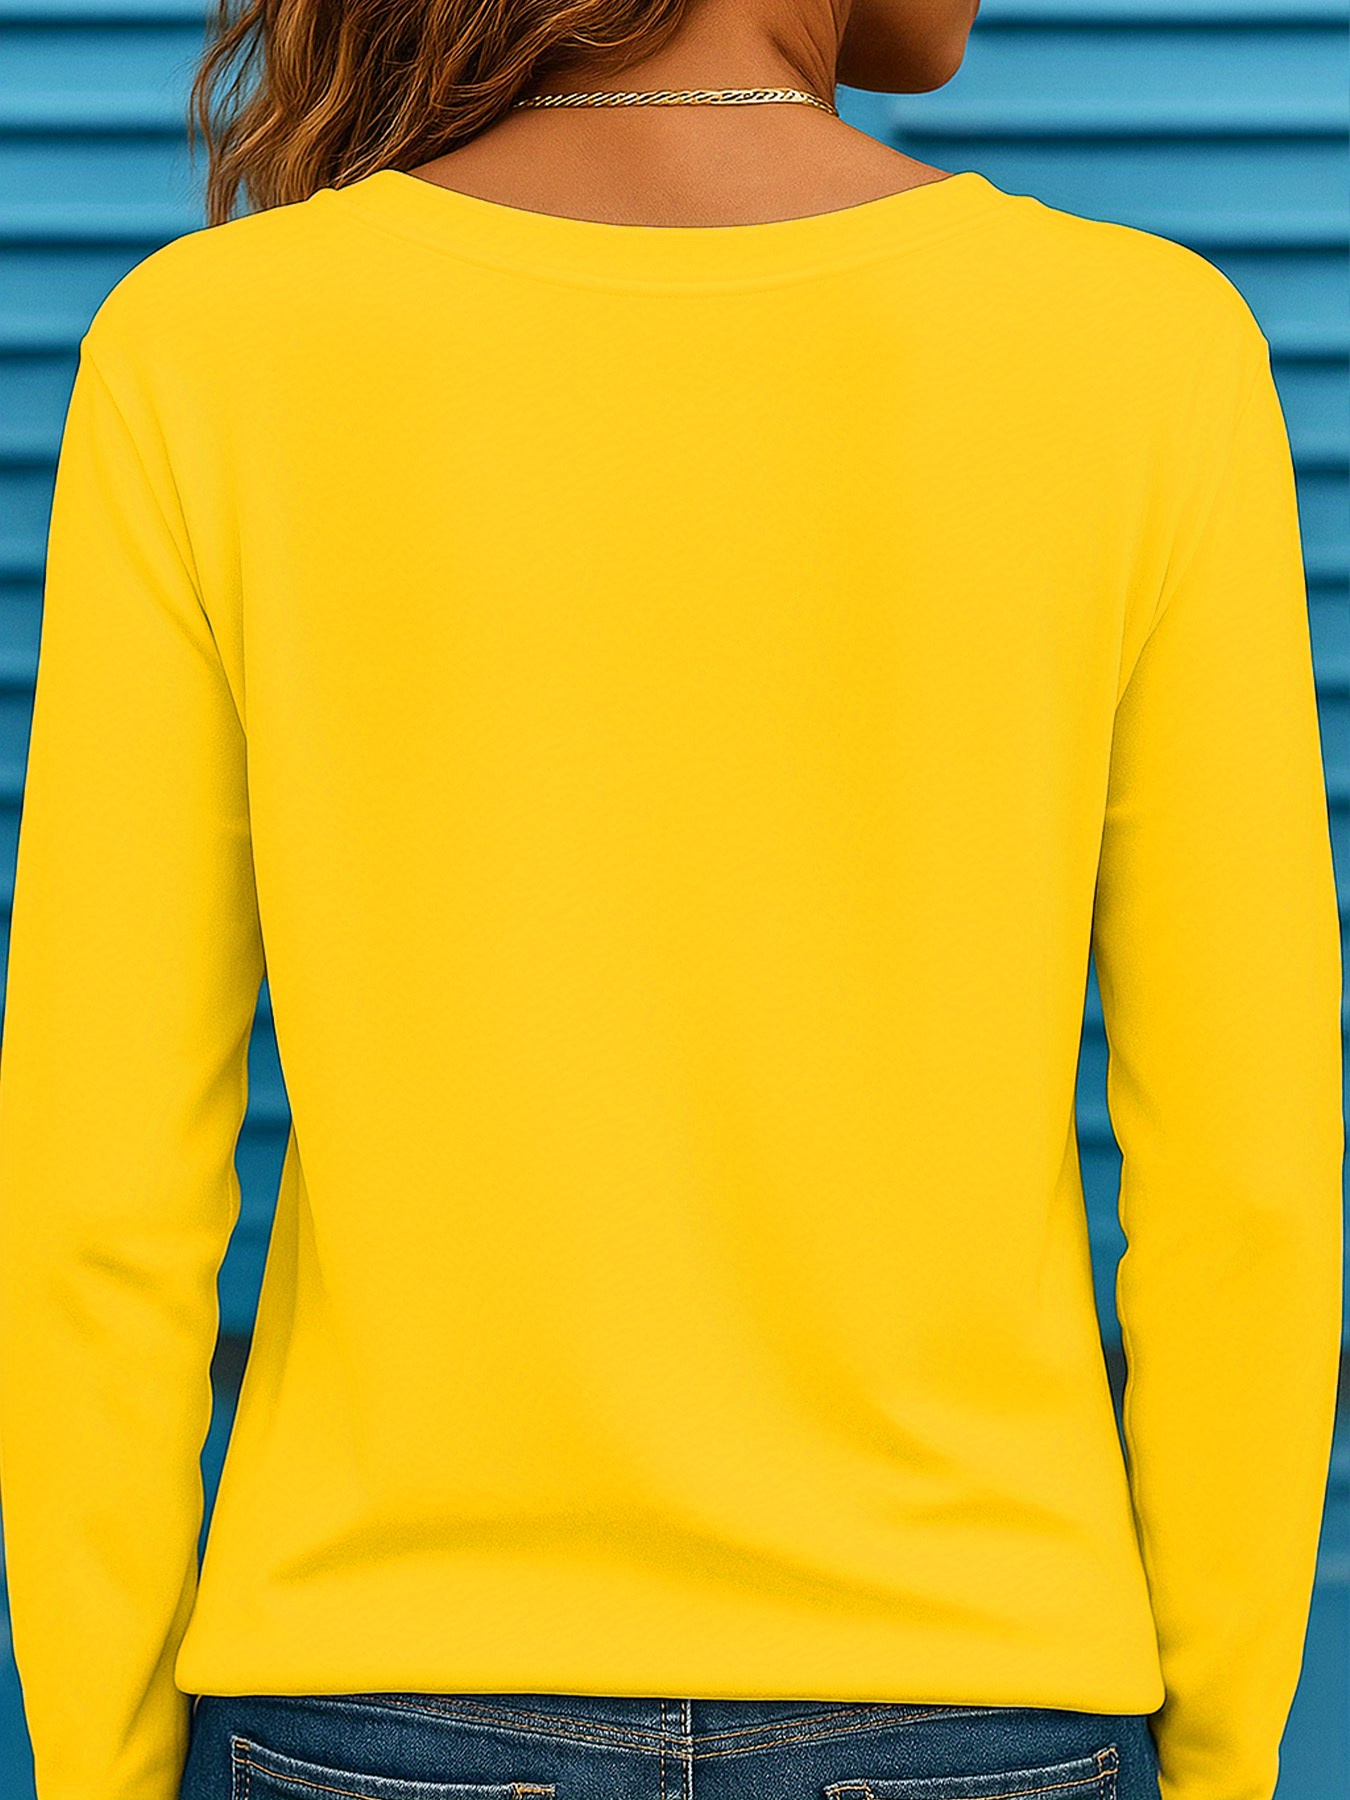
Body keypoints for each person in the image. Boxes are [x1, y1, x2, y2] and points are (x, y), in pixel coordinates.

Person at [0, 1, 1340, 1797]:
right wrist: (1224, 1750)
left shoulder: (210, 347)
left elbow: (99, 1186)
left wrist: (98, 1761)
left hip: (371, 1691)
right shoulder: (1141, 348)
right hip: (978, 1688)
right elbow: (1243, 1178)